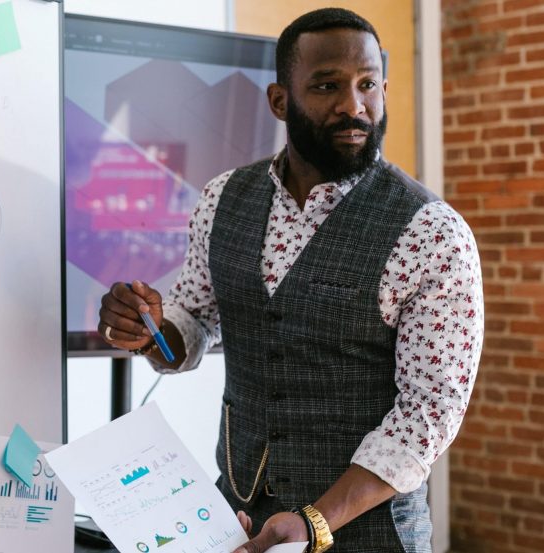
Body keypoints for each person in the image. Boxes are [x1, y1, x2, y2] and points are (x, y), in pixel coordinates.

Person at [98, 8, 483, 553]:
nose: (354, 106)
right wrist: (148, 329)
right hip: (235, 519)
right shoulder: (222, 198)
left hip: (367, 534)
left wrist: (315, 521)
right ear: (280, 100)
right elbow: (191, 324)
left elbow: (429, 413)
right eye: (328, 86)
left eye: (368, 84)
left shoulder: (432, 233)